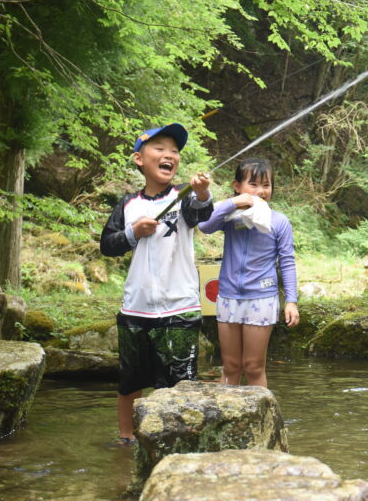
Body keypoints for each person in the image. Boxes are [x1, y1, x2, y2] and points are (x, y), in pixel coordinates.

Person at [100, 123, 213, 446]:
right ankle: (126, 441)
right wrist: (134, 232)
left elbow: (200, 215)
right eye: (160, 149)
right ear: (139, 159)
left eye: (175, 151)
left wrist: (202, 192)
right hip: (136, 308)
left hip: (180, 308)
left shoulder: (184, 197)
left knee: (181, 384)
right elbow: (108, 245)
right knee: (130, 381)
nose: (169, 155)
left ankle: (178, 445)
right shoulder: (127, 204)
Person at [198, 158, 299, 387]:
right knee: (231, 366)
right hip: (229, 296)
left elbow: (287, 262)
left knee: (253, 367)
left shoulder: (279, 222)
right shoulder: (230, 218)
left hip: (261, 297)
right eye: (253, 185)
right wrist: (232, 203)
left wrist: (291, 301)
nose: (261, 191)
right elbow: (204, 226)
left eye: (266, 185)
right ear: (237, 186)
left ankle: (263, 421)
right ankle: (224, 418)